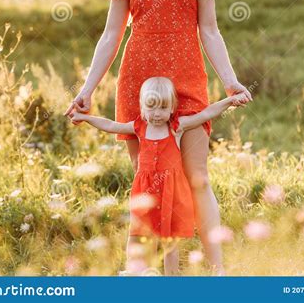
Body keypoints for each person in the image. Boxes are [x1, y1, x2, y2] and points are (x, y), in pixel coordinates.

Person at [64, 0, 253, 275]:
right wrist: (87, 89)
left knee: (198, 178)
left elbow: (209, 29)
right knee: (147, 179)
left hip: (188, 80)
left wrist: (230, 81)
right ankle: (147, 272)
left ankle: (217, 270)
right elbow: (112, 33)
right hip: (140, 85)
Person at [69, 77, 247, 275]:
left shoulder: (176, 127)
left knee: (170, 239)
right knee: (141, 231)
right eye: (151, 107)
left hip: (172, 191)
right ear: (143, 107)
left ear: (172, 108)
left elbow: (206, 113)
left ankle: (171, 277)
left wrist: (230, 101)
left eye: (163, 107)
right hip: (145, 191)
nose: (156, 114)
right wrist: (86, 118)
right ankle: (140, 272)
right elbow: (111, 125)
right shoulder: (138, 127)